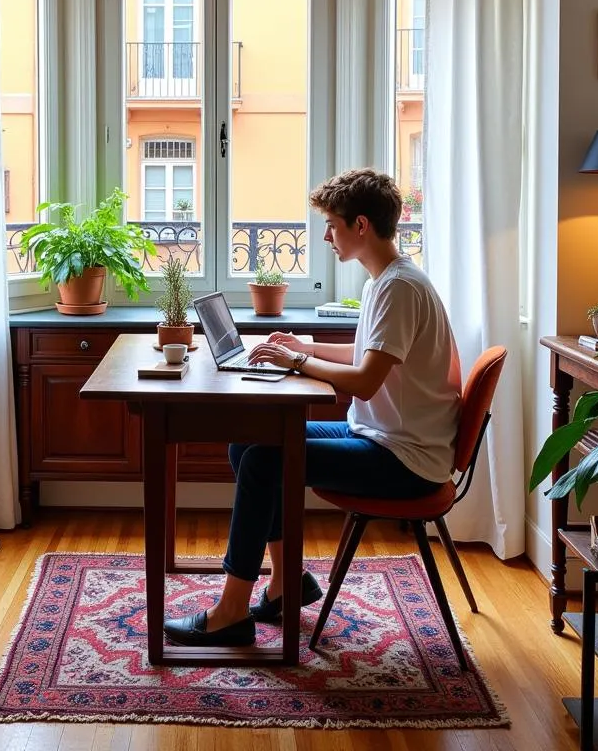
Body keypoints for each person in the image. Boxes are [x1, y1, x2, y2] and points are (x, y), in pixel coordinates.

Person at [163, 168, 462, 647]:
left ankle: (232, 610)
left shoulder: (398, 289)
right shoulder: (385, 280)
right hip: (383, 438)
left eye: (332, 224)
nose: (325, 236)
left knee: (263, 459)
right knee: (250, 444)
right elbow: (370, 356)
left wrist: (299, 359)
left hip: (406, 461)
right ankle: (284, 586)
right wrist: (305, 346)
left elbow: (364, 382)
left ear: (360, 226)